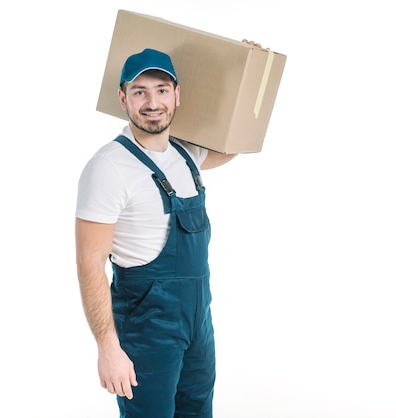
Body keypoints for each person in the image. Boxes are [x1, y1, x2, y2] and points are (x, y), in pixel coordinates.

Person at [76, 42, 260, 417]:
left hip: (197, 322)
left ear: (177, 95)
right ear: (122, 98)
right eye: (139, 92)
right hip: (146, 326)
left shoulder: (185, 153)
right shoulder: (108, 167)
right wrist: (108, 348)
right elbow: (89, 261)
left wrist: (248, 67)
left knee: (197, 411)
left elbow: (238, 141)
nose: (152, 102)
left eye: (161, 90)